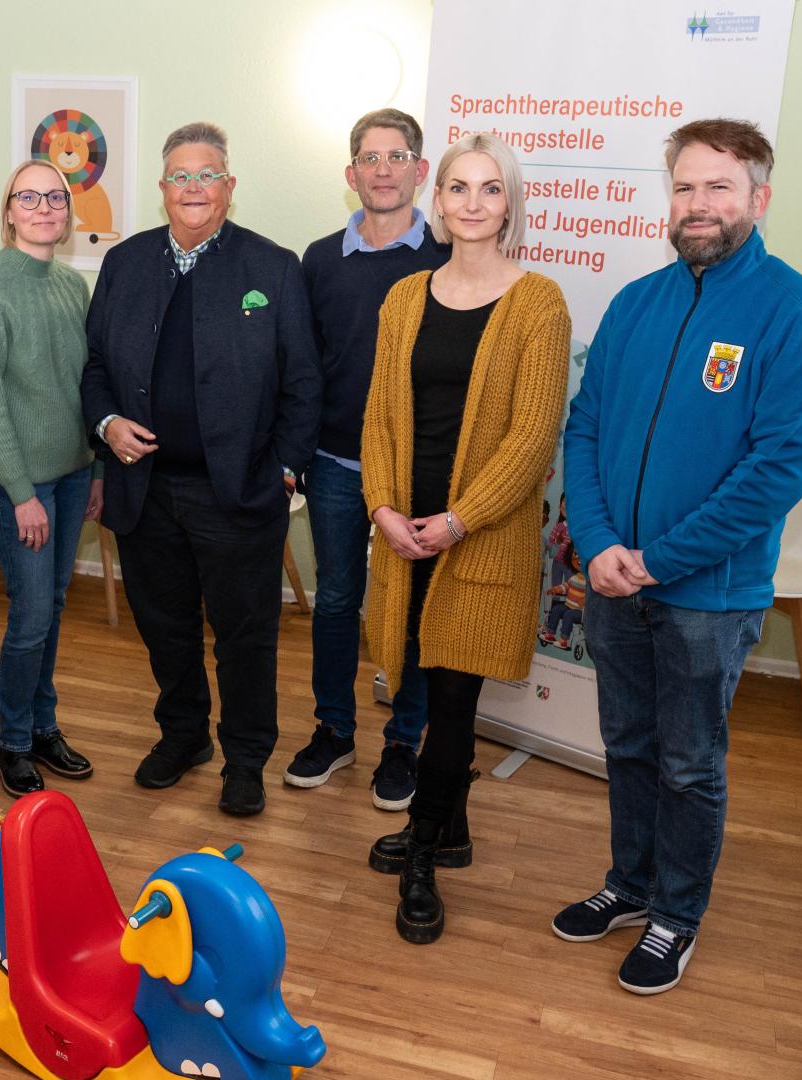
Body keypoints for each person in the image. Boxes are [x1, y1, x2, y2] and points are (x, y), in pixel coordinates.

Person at [554, 118, 802, 994]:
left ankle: (677, 915)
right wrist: (602, 545)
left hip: (707, 596)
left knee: (688, 762)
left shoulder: (799, 313)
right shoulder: (636, 303)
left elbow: (776, 472)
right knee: (628, 744)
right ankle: (631, 886)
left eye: (719, 187)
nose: (699, 204)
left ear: (758, 198)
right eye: (684, 187)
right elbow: (587, 428)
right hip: (614, 581)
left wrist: (658, 558)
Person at [360, 132, 570, 945]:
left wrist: (456, 521)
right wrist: (384, 508)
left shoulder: (539, 301)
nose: (473, 203)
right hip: (403, 530)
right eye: (458, 187)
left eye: (490, 189)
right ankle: (450, 826)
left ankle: (421, 850)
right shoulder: (404, 297)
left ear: (509, 206)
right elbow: (378, 413)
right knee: (413, 679)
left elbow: (531, 438)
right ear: (436, 200)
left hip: (479, 538)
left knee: (452, 704)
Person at [82, 122, 320, 817]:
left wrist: (285, 470)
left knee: (245, 637)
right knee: (166, 628)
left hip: (239, 494)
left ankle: (244, 759)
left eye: (207, 174)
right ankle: (183, 736)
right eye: (180, 176)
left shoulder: (272, 269)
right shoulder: (125, 264)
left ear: (229, 187)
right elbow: (95, 367)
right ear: (162, 190)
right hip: (144, 489)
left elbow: (304, 383)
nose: (193, 187)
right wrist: (106, 425)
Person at [285, 108, 449, 811]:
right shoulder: (319, 259)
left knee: (409, 608)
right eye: (370, 158)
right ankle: (334, 729)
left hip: (417, 471)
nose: (383, 169)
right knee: (337, 603)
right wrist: (293, 454)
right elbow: (301, 366)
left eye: (398, 156)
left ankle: (404, 742)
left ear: (419, 170)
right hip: (334, 464)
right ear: (351, 174)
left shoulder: (446, 255)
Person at [0, 161, 103, 796]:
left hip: (72, 475)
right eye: (28, 197)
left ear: (68, 212)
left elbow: (86, 387)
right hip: (20, 485)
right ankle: (13, 742)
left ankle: (44, 727)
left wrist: (94, 468)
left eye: (56, 197)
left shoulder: (72, 285)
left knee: (55, 606)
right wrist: (20, 494)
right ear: (9, 210)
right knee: (32, 613)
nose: (44, 207)